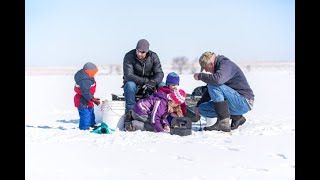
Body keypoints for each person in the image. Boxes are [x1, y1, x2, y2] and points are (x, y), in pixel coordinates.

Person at [193, 51, 254, 132]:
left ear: (211, 64)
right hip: (234, 102)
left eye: (207, 69)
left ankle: (223, 122)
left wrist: (201, 76)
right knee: (202, 109)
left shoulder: (225, 64)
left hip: (244, 101)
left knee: (213, 84)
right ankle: (237, 117)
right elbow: (209, 91)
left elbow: (217, 81)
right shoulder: (218, 71)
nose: (207, 71)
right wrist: (198, 105)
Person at [122, 39, 164, 115]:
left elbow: (159, 73)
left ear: (147, 51)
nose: (139, 54)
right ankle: (130, 112)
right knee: (130, 85)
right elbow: (128, 75)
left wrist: (153, 82)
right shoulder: (129, 56)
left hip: (151, 84)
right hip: (135, 84)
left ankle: (162, 111)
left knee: (162, 85)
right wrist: (145, 81)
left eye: (142, 52)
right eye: (138, 51)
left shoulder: (153, 56)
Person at [74, 62, 101, 130]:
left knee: (91, 112)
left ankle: (91, 125)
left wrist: (92, 98)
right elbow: (85, 92)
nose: (94, 74)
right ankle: (84, 127)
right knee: (85, 114)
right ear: (88, 71)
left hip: (88, 99)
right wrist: (93, 99)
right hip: (82, 100)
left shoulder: (87, 77)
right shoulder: (84, 80)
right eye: (93, 72)